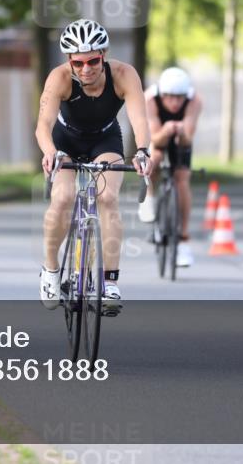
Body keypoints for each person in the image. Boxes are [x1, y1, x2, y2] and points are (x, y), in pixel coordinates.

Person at [35, 19, 153, 310]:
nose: (85, 69)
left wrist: (142, 151)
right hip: (65, 142)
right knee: (62, 197)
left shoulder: (125, 75)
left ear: (104, 55)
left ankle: (109, 283)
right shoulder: (59, 78)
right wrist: (51, 152)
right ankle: (50, 270)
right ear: (69, 61)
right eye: (78, 63)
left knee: (107, 197)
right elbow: (43, 125)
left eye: (93, 61)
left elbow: (140, 119)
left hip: (104, 140)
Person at [137, 66, 203, 268]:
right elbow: (155, 138)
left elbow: (187, 140)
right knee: (154, 158)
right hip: (158, 137)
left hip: (181, 140)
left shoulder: (195, 101)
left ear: (186, 95)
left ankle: (183, 239)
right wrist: (167, 130)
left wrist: (181, 132)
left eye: (179, 97)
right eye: (170, 97)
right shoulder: (149, 99)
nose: (175, 103)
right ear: (161, 94)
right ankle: (150, 198)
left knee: (182, 178)